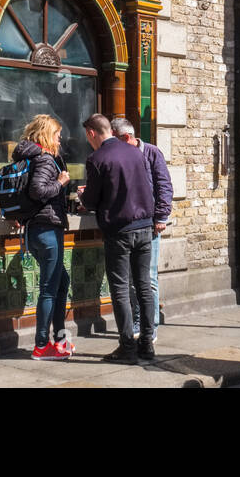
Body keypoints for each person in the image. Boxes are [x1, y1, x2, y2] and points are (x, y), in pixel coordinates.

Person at [79, 113, 156, 363]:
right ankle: (147, 343)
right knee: (144, 286)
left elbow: (91, 200)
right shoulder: (136, 152)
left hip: (119, 231)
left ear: (92, 133)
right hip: (145, 228)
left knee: (121, 290)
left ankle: (127, 348)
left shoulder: (97, 158)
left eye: (87, 137)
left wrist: (83, 196)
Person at [13, 115, 74, 360]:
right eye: (57, 134)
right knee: (49, 289)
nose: (60, 139)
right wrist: (60, 183)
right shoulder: (45, 159)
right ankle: (41, 345)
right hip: (47, 229)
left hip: (35, 230)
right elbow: (39, 190)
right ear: (48, 134)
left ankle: (58, 340)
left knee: (61, 282)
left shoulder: (28, 157)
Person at [110, 117, 174, 344]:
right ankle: (137, 322)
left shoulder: (151, 153)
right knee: (129, 280)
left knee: (148, 278)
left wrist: (161, 217)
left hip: (150, 224)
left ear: (126, 137)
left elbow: (164, 185)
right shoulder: (120, 155)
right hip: (129, 225)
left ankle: (151, 326)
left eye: (115, 140)